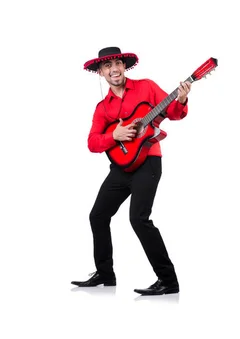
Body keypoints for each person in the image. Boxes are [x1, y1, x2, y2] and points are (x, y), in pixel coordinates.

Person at [71, 47, 192, 296]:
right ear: (101, 72)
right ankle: (105, 274)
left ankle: (168, 281)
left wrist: (180, 100)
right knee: (98, 216)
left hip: (148, 162)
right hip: (121, 167)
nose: (114, 69)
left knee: (138, 219)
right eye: (107, 66)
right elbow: (92, 142)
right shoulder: (102, 107)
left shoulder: (146, 87)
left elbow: (173, 113)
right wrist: (113, 135)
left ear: (124, 66)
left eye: (117, 63)